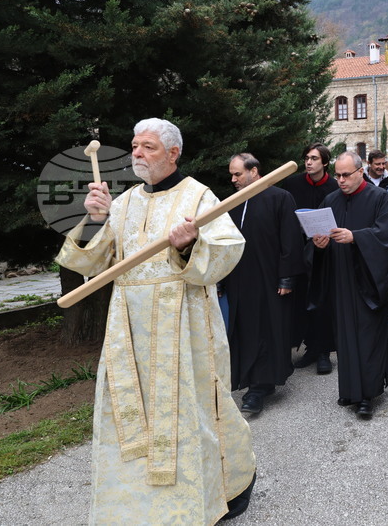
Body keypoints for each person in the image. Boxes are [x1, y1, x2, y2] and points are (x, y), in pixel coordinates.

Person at [56, 118, 255, 523]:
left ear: (173, 153)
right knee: (130, 414)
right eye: (134, 146)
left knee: (196, 409)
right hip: (128, 326)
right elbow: (93, 263)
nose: (137, 153)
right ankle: (134, 500)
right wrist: (96, 218)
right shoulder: (124, 202)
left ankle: (227, 485)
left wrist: (191, 244)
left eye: (147, 146)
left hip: (184, 323)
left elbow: (228, 250)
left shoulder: (198, 196)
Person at [310, 151, 388, 418]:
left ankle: (367, 394)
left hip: (368, 280)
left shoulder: (380, 198)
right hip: (340, 279)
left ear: (360, 172)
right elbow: (320, 237)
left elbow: (387, 236)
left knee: (367, 337)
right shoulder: (330, 200)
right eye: (337, 175)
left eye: (345, 175)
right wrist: (318, 244)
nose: (340, 180)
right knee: (346, 337)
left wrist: (356, 237)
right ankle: (351, 389)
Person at [222, 153, 304, 415]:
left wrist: (286, 277)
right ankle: (248, 379)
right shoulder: (233, 202)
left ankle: (261, 386)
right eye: (232, 174)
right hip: (239, 281)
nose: (233, 179)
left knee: (268, 330)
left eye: (238, 174)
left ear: (254, 171)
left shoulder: (279, 198)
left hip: (270, 280)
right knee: (245, 329)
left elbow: (290, 241)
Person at [284, 143, 339, 375]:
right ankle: (310, 347)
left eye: (314, 158)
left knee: (325, 299)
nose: (309, 162)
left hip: (327, 251)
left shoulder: (334, 186)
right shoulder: (293, 184)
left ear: (325, 162)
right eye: (306, 158)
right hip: (300, 249)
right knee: (303, 299)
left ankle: (324, 351)